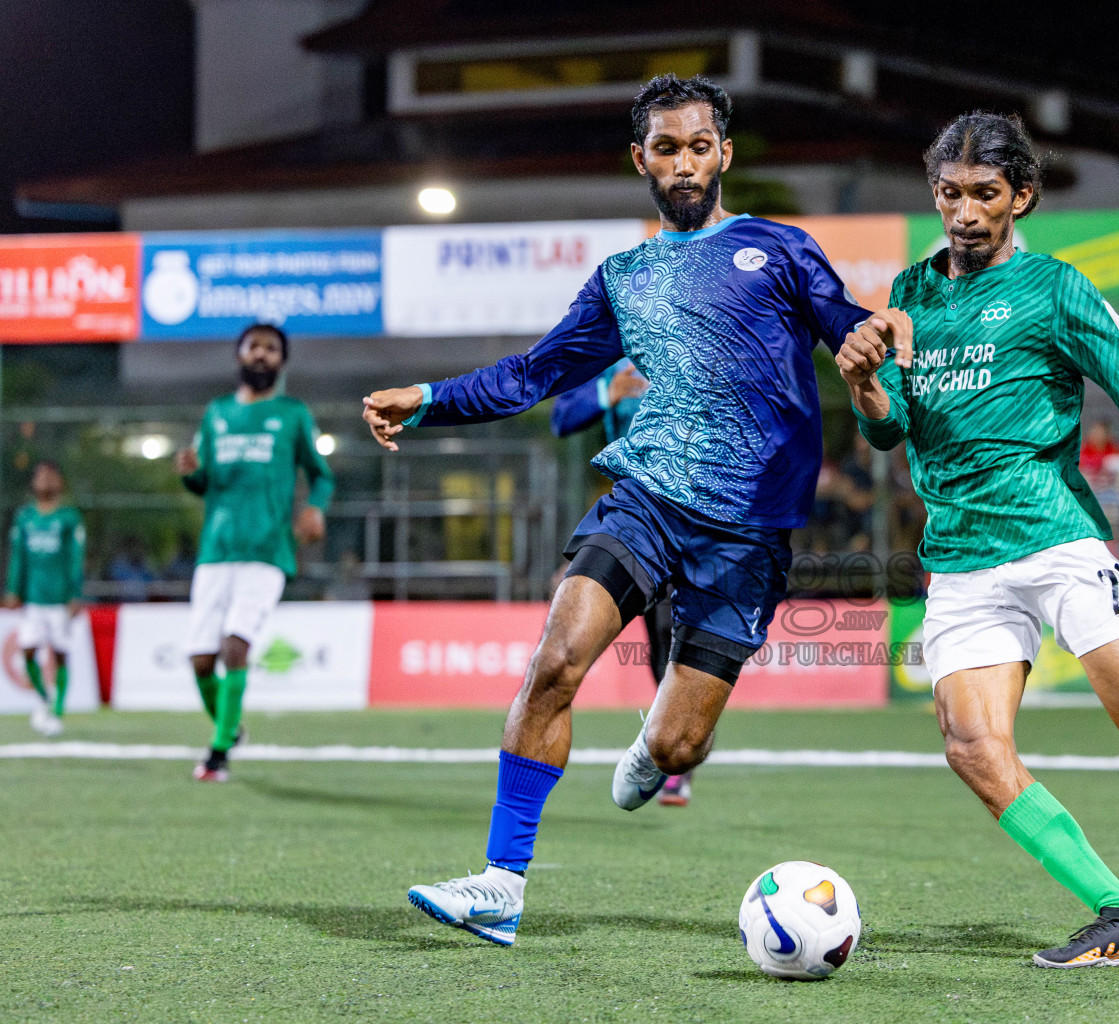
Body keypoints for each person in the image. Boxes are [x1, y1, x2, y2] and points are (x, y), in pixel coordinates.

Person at [363, 73, 883, 946]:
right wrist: (427, 397)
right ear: (640, 159)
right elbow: (533, 376)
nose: (684, 162)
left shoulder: (780, 247)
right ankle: (501, 883)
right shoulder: (624, 277)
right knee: (556, 661)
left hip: (749, 536)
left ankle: (654, 746)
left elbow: (847, 323)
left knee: (678, 748)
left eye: (699, 145)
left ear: (724, 152)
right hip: (646, 500)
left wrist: (870, 339)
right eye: (667, 148)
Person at [837, 111, 1119, 969]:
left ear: (1023, 197)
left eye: (984, 195)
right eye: (948, 194)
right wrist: (863, 384)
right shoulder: (910, 291)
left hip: (1054, 541)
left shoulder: (1055, 289)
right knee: (973, 748)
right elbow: (892, 432)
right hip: (960, 561)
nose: (964, 212)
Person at [175, 323, 333, 782]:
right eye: (253, 347)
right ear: (239, 356)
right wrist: (189, 472)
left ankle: (218, 753)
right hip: (215, 551)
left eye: (271, 348)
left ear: (282, 361)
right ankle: (231, 727)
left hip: (267, 551)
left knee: (234, 647)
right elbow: (203, 482)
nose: (261, 354)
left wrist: (315, 508)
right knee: (201, 660)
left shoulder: (293, 414)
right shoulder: (217, 413)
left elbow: (320, 475)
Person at [550, 359, 693, 807]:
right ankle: (671, 744)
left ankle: (676, 758)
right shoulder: (615, 365)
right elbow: (561, 417)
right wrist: (605, 396)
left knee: (670, 640)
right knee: (634, 645)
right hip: (633, 524)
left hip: (690, 516)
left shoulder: (691, 348)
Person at [4, 460, 85, 737]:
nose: (46, 480)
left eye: (51, 475)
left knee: (61, 654)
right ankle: (44, 697)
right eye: (41, 476)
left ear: (59, 482)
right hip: (34, 600)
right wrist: (14, 589)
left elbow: (76, 558)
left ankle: (58, 711)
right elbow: (18, 557)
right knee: (28, 650)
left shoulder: (69, 517)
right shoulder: (25, 517)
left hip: (59, 599)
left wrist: (75, 594)